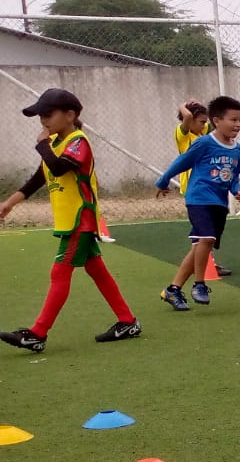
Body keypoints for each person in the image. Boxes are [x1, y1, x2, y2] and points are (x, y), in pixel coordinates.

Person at [0, 88, 140, 351]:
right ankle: (128, 321)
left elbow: (59, 167)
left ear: (70, 115)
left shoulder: (78, 142)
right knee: (96, 269)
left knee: (60, 272)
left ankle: (37, 334)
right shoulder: (55, 144)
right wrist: (9, 203)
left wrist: (41, 144)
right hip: (70, 221)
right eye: (40, 116)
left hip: (80, 220)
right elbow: (38, 179)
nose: (43, 121)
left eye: (48, 114)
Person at [155, 95, 240, 311]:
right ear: (217, 121)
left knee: (200, 246)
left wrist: (237, 191)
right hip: (198, 198)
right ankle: (199, 284)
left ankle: (173, 290)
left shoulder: (237, 150)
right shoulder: (204, 142)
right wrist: (163, 180)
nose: (238, 124)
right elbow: (182, 161)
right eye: (233, 119)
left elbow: (232, 175)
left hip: (219, 203)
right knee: (206, 238)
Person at [174, 99, 232, 275]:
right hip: (194, 188)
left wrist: (200, 106)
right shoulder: (183, 135)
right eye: (201, 121)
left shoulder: (202, 134)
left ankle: (206, 261)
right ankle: (206, 264)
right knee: (203, 229)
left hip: (208, 188)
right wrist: (183, 105)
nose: (204, 125)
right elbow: (187, 116)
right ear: (190, 121)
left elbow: (214, 123)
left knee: (207, 228)